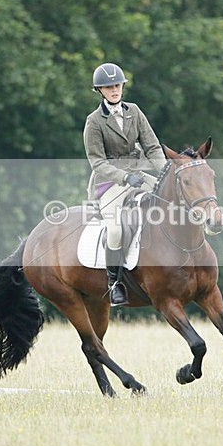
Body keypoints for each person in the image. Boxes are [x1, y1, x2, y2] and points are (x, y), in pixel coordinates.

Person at [83, 63, 166, 306]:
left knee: (171, 200)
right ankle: (114, 283)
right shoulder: (94, 121)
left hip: (139, 175)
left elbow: (152, 147)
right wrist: (124, 177)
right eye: (109, 87)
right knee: (116, 230)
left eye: (117, 85)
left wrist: (165, 172)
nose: (114, 90)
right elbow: (97, 162)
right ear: (100, 90)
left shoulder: (135, 111)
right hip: (110, 184)